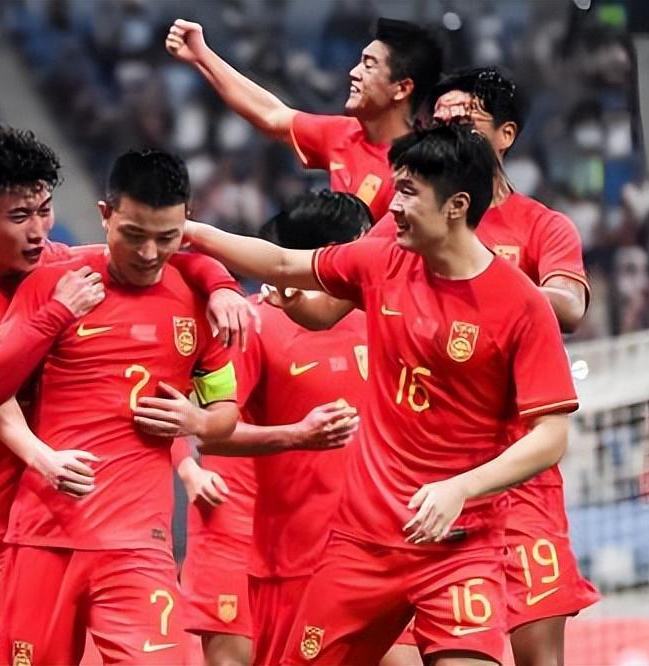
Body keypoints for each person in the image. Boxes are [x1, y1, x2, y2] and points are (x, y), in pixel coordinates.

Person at [182, 123, 579, 665]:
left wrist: (460, 488)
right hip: (364, 544)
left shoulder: (522, 305)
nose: (393, 207)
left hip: (459, 545)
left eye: (409, 193)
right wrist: (188, 231)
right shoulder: (383, 262)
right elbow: (281, 262)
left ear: (457, 205)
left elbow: (551, 436)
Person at [0, 125, 253, 666]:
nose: (39, 231)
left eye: (45, 210)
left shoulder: (62, 263)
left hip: (36, 519)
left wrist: (222, 284)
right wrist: (56, 314)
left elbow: (164, 252)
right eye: (20, 216)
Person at [0, 150, 240, 666]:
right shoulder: (56, 283)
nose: (149, 253)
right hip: (44, 535)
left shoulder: (199, 299)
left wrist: (197, 421)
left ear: (187, 222)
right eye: (134, 234)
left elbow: (226, 413)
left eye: (167, 238)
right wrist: (40, 456)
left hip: (139, 544)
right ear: (105, 215)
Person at [421, 67, 598, 666]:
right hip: (432, 467)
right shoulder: (412, 226)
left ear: (506, 135)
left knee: (539, 656)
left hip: (522, 470)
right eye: (439, 122)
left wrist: (480, 281)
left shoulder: (542, 226)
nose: (450, 130)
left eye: (465, 120)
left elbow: (568, 305)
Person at [181, 190, 371, 666]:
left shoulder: (379, 320)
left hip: (368, 546)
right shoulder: (248, 324)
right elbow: (203, 425)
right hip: (263, 540)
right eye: (365, 246)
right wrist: (188, 468)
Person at [165, 17, 442, 220]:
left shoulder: (425, 167)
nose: (353, 73)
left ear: (402, 88)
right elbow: (270, 114)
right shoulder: (343, 133)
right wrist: (201, 55)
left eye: (369, 66)